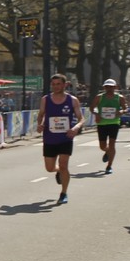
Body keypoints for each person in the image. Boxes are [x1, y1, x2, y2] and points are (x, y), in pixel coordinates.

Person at [38, 73, 83, 205]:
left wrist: (76, 128)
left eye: (58, 84)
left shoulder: (73, 100)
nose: (56, 86)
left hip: (66, 138)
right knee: (49, 168)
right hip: (49, 138)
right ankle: (58, 172)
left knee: (64, 165)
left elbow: (81, 118)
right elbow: (41, 115)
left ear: (64, 85)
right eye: (53, 84)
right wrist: (40, 125)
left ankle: (63, 193)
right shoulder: (45, 99)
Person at [93, 78, 124, 174]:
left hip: (114, 123)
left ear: (115, 87)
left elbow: (125, 108)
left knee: (112, 144)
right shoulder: (99, 97)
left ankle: (109, 166)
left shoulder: (120, 97)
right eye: (107, 87)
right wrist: (96, 114)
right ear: (104, 87)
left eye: (111, 87)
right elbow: (92, 108)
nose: (109, 89)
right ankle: (107, 151)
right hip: (102, 123)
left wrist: (121, 111)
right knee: (102, 146)